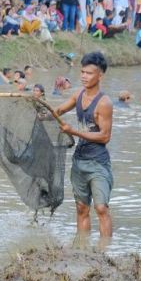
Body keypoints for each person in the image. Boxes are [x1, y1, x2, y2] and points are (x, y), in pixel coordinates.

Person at [54, 52, 114, 241]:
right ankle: (82, 248)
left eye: (89, 73)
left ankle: (105, 251)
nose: (84, 76)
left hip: (98, 162)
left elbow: (105, 136)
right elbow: (60, 110)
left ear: (100, 76)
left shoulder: (104, 103)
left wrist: (74, 132)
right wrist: (41, 113)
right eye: (82, 72)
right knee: (81, 207)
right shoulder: (79, 93)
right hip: (79, 160)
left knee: (101, 208)